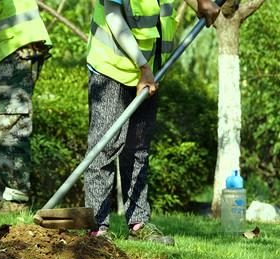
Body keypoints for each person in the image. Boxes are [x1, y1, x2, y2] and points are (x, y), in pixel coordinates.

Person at [85, 0, 220, 245]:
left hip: (149, 73)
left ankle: (139, 224)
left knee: (138, 149)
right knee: (102, 148)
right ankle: (96, 229)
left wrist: (201, 2)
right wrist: (143, 67)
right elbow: (114, 18)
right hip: (112, 69)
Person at [0, 0, 52, 210]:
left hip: (17, 45)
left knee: (8, 125)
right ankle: (3, 196)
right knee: (1, 124)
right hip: (14, 45)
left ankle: (15, 199)